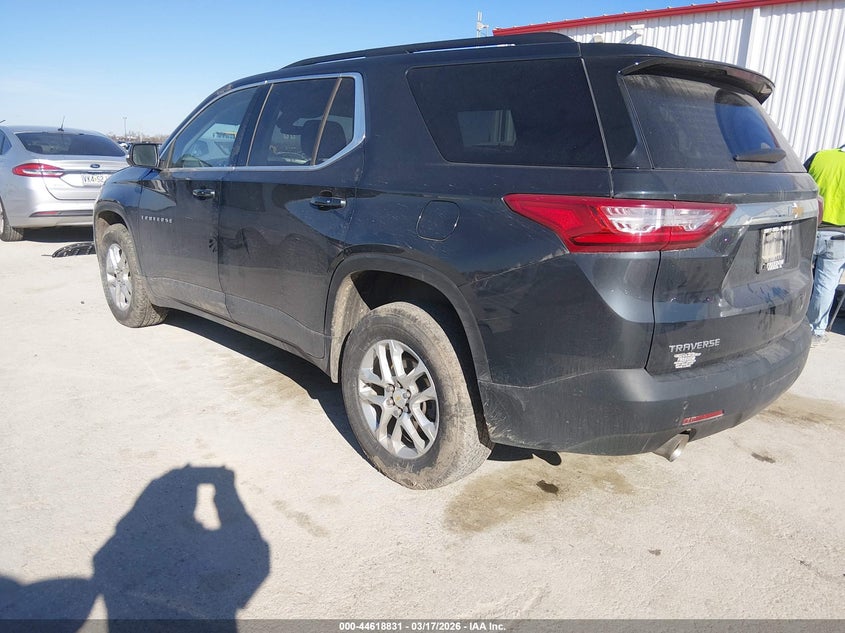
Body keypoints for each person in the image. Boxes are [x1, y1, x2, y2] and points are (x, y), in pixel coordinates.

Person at [805, 145, 845, 344]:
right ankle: (814, 331)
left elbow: (801, 185)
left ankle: (789, 322)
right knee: (825, 285)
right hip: (839, 236)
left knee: (799, 277)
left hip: (809, 228)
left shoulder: (820, 157)